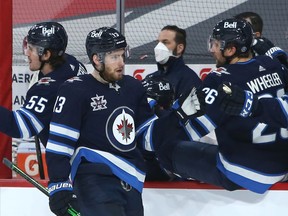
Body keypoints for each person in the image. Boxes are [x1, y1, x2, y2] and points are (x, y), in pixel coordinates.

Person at [45, 26, 194, 216]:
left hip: (131, 181)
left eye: (122, 55)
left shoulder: (132, 87)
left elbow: (146, 138)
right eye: (114, 57)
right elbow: (60, 143)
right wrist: (59, 185)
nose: (121, 62)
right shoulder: (75, 90)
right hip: (94, 179)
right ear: (97, 59)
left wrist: (178, 116)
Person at [148, 18, 288, 194]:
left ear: (231, 49)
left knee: (166, 149)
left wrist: (158, 113)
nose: (212, 49)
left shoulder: (220, 80)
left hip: (247, 171)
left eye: (216, 44)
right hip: (282, 163)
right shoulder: (274, 65)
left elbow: (191, 129)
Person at [0, 22, 86, 148]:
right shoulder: (73, 63)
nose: (27, 53)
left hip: (71, 159)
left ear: (46, 55)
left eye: (31, 48)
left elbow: (20, 127)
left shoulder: (48, 89)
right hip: (89, 149)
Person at [150, 25, 202, 99]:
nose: (159, 47)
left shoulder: (189, 80)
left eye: (165, 42)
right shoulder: (152, 78)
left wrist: (159, 110)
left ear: (179, 48)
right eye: (158, 42)